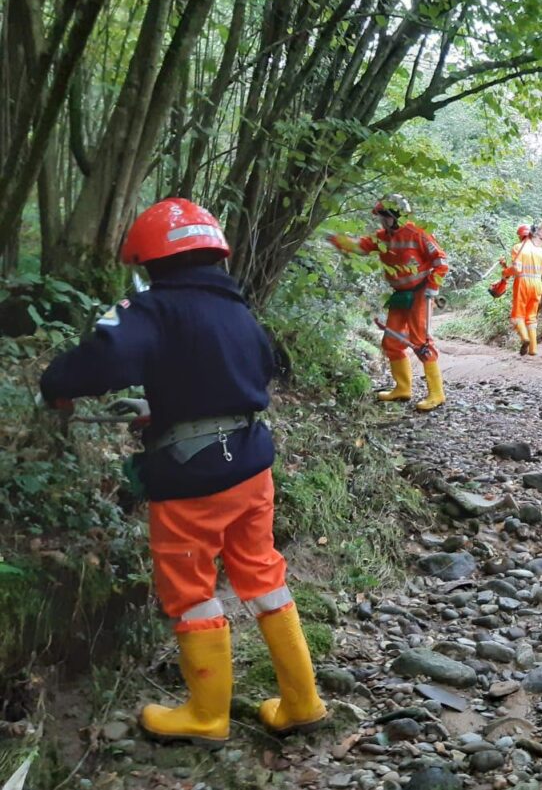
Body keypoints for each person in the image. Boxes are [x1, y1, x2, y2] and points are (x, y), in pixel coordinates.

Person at [39, 198, 326, 743]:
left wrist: (56, 386)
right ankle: (302, 701)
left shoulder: (153, 307)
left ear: (150, 260)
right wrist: (162, 407)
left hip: (193, 479)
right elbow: (249, 373)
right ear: (213, 254)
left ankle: (206, 714)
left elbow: (101, 359)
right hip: (250, 463)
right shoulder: (238, 310)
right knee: (263, 574)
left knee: (189, 587)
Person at [328, 194, 448, 411]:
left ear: (397, 215)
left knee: (421, 343)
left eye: (385, 216)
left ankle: (437, 394)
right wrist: (336, 240)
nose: (381, 220)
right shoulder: (382, 237)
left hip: (421, 293)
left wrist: (432, 287)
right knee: (391, 341)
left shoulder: (417, 234)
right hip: (400, 295)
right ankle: (402, 389)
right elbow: (361, 246)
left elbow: (440, 261)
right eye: (381, 216)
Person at [501, 223, 542, 356]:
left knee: (517, 315)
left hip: (522, 283)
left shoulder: (518, 248)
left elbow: (516, 269)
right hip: (537, 284)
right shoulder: (540, 251)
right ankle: (533, 349)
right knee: (531, 317)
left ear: (520, 236)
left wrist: (505, 271)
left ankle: (524, 339)